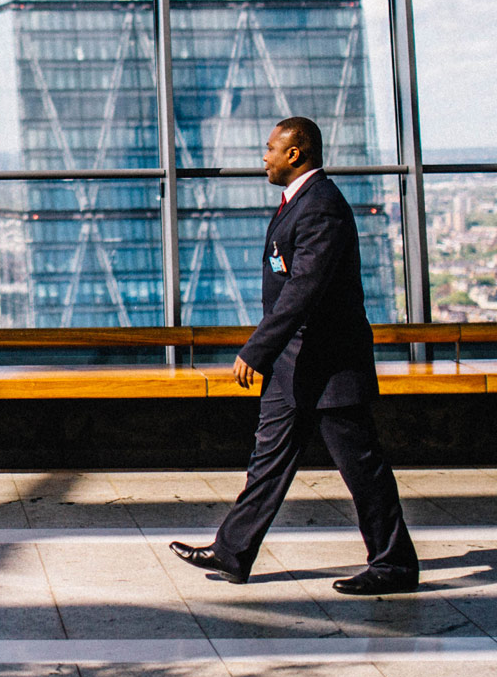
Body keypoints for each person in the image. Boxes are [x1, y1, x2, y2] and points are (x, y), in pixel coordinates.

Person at [171, 117, 420, 595]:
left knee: (362, 468)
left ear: (295, 154)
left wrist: (257, 349)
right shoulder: (299, 203)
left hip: (328, 366)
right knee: (267, 460)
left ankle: (394, 565)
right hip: (294, 365)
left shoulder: (321, 207)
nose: (263, 157)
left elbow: (303, 289)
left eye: (270, 149)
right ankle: (232, 550)